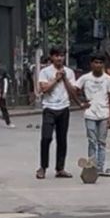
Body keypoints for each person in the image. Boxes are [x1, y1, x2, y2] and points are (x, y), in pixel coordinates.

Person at [36, 46, 79, 179]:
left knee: (62, 139)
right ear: (51, 57)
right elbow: (44, 89)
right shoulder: (45, 72)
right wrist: (56, 79)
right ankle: (43, 167)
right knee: (46, 138)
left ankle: (60, 168)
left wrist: (65, 79)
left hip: (64, 108)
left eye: (61, 55)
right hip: (49, 108)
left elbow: (73, 91)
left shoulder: (69, 72)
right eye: (56, 55)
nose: (59, 58)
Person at [75, 53, 110, 177]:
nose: (98, 65)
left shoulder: (108, 80)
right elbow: (74, 90)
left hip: (104, 114)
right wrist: (81, 103)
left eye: (100, 63)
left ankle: (100, 167)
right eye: (96, 62)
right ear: (91, 64)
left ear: (103, 64)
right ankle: (92, 167)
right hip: (90, 114)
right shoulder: (85, 78)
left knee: (101, 142)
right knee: (92, 141)